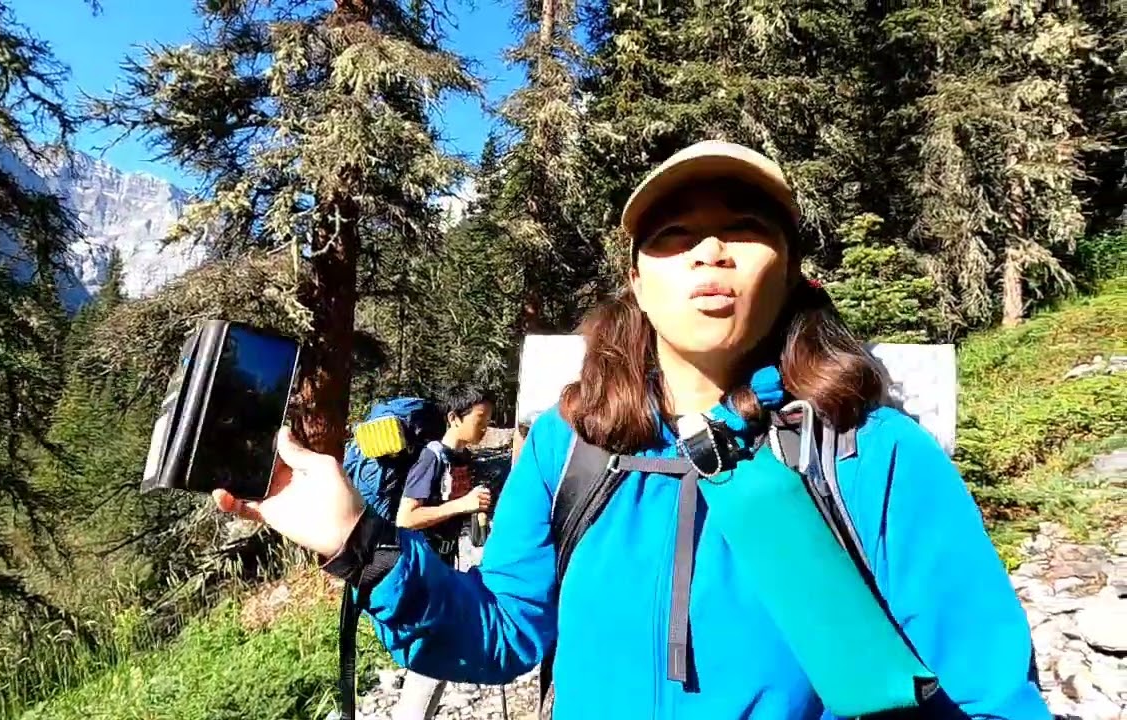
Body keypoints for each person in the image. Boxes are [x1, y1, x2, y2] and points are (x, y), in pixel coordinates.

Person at [213, 140, 1050, 720]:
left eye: (747, 228)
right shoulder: (570, 447)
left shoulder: (871, 453)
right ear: (636, 281)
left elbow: (988, 697)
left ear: (794, 272)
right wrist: (357, 541)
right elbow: (502, 636)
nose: (710, 250)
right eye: (674, 235)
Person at [390, 384, 494, 720]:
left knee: (440, 656)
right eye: (480, 419)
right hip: (423, 574)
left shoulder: (461, 458)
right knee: (433, 654)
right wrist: (461, 504)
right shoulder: (431, 457)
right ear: (454, 418)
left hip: (444, 568)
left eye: (488, 420)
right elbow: (406, 518)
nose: (485, 427)